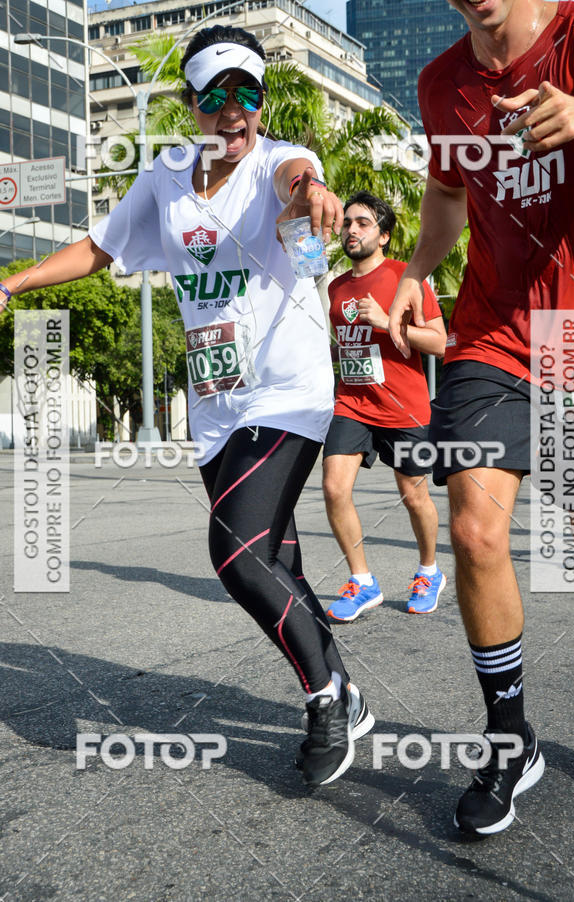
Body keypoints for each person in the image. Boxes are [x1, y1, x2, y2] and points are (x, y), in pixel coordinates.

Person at [0, 25, 375, 787]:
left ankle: (328, 698)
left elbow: (300, 182)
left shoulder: (278, 163)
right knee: (276, 561)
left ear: (262, 103)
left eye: (249, 93)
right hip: (216, 406)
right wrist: (12, 285)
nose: (234, 111)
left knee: (234, 553)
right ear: (192, 106)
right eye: (216, 97)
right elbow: (100, 248)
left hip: (289, 390)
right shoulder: (165, 175)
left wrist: (314, 194)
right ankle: (350, 689)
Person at [388, 0, 574, 834]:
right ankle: (511, 737)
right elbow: (446, 192)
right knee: (475, 528)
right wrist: (416, 267)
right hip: (496, 336)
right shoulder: (442, 82)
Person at [322, 191, 447, 621]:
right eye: (347, 223)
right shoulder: (336, 287)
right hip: (352, 403)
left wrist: (387, 321)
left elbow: (439, 343)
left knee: (414, 497)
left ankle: (429, 571)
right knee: (335, 488)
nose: (351, 229)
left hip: (404, 407)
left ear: (385, 236)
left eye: (362, 223)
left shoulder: (406, 279)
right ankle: (363, 581)